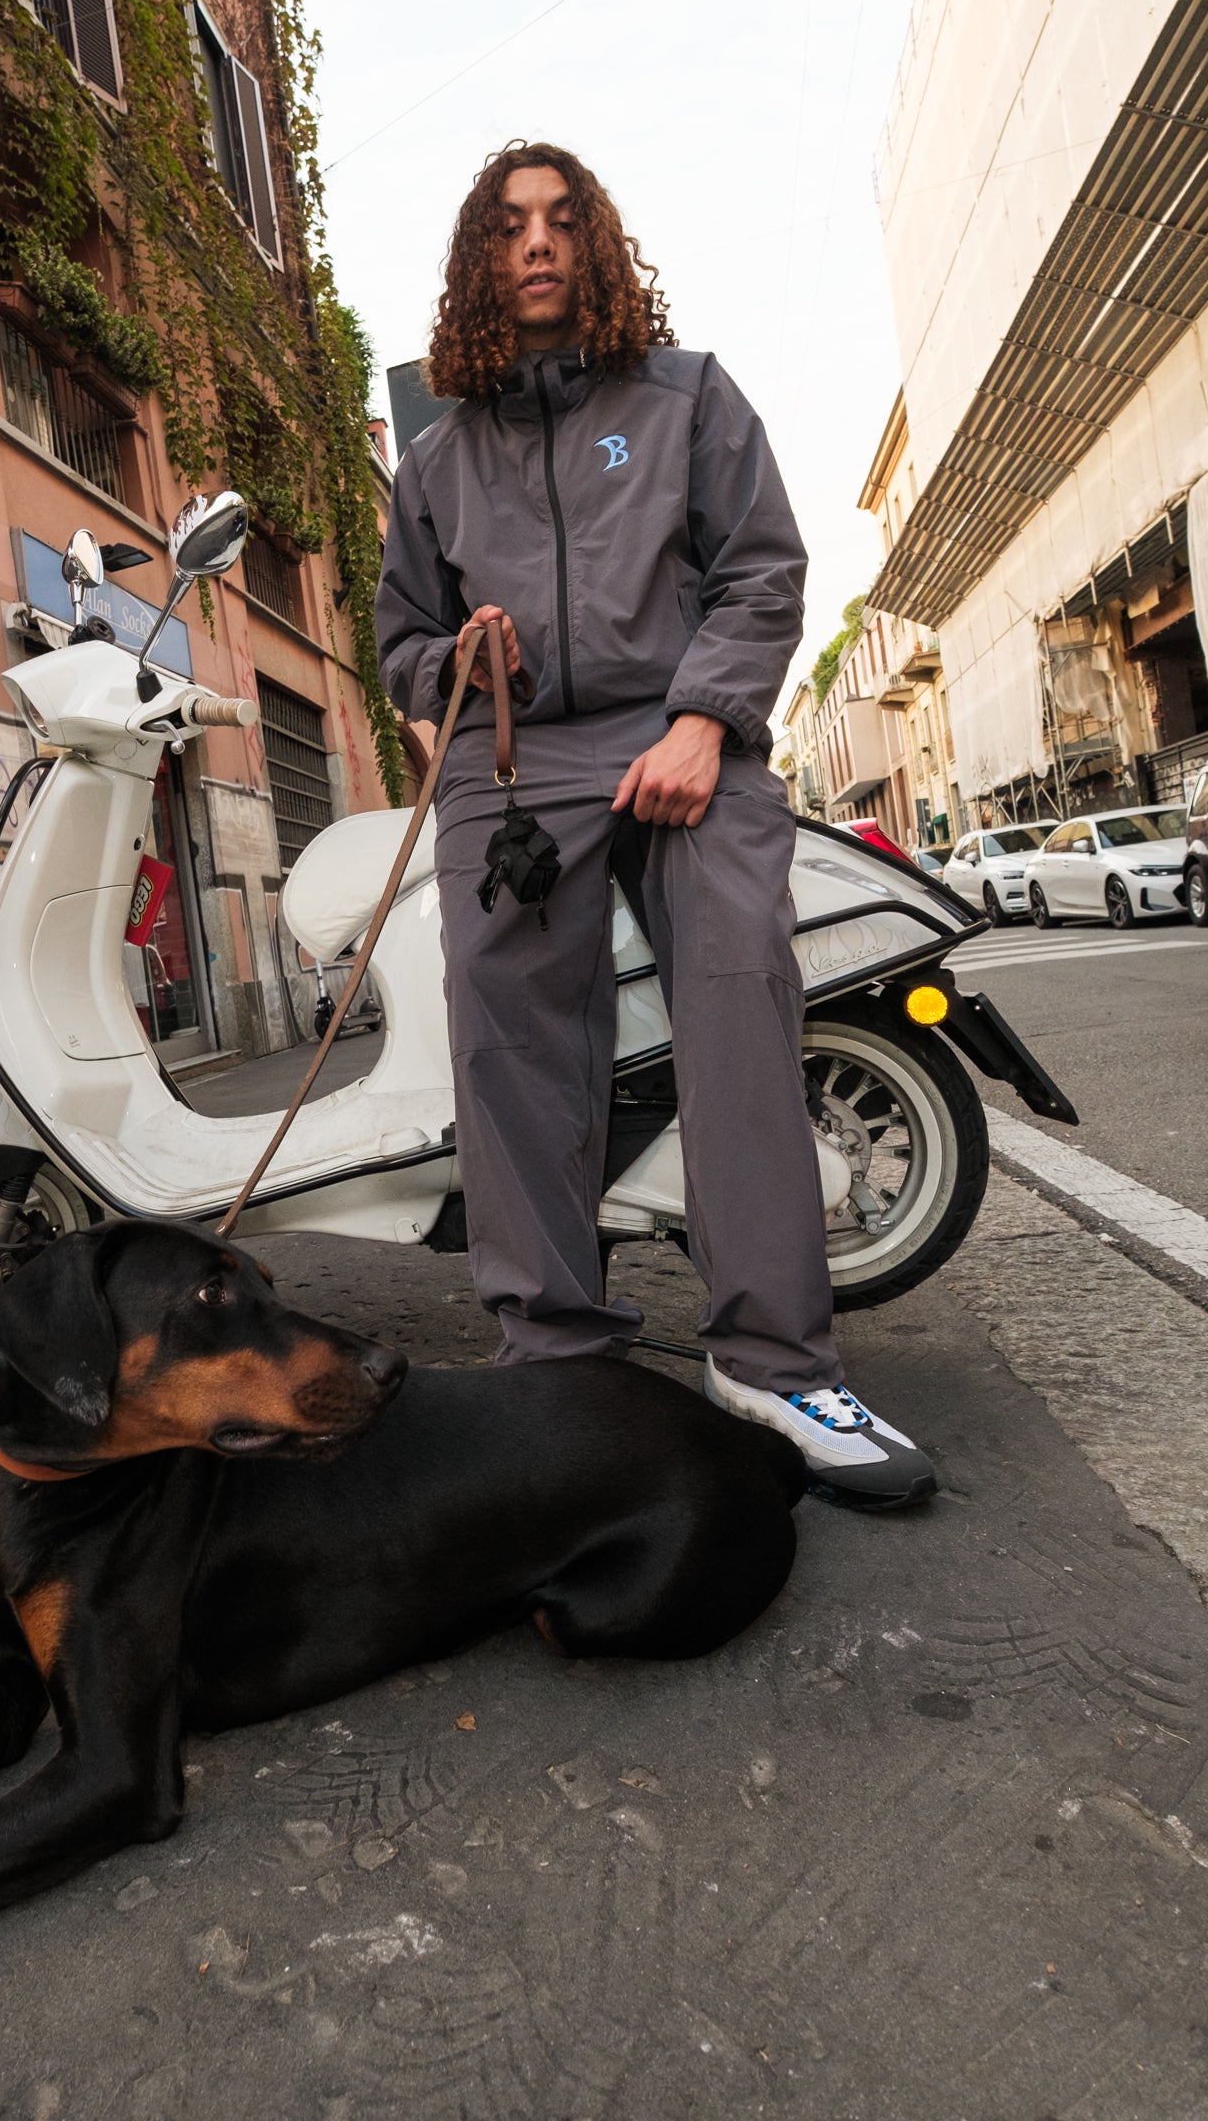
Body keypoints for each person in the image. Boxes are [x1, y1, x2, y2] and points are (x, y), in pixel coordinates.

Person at [375, 141, 933, 1509]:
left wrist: (703, 720)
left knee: (739, 993)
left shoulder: (688, 397)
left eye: (565, 221)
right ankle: (556, 1360)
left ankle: (772, 1361)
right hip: (516, 764)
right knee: (505, 1038)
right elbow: (401, 639)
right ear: (479, 262)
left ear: (600, 246)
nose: (540, 244)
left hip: (687, 734)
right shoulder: (438, 456)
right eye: (510, 228)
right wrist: (460, 666)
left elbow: (762, 569)